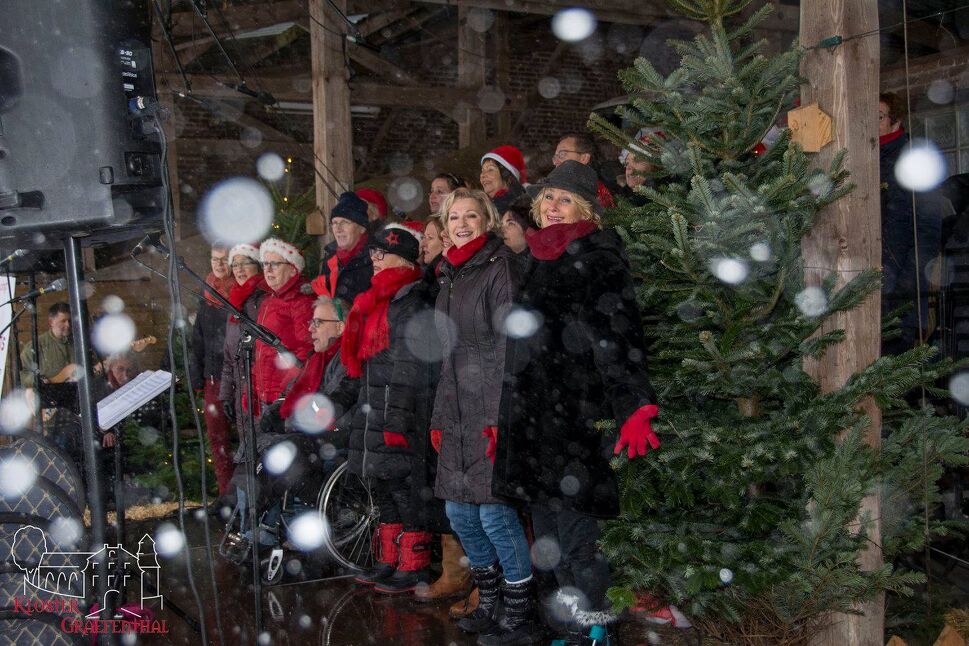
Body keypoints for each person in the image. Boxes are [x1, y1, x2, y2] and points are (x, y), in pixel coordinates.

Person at [495, 161, 660, 644]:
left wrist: (633, 404)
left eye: (564, 199)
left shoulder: (599, 257)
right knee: (546, 543)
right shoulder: (536, 260)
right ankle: (568, 628)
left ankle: (597, 630)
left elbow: (618, 335)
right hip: (535, 423)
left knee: (578, 544)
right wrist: (505, 417)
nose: (551, 206)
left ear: (585, 208)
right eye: (547, 198)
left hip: (576, 422)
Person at [429, 188, 540, 644]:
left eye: (471, 215)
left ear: (488, 220)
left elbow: (509, 349)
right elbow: (447, 359)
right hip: (455, 412)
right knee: (460, 513)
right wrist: (438, 418)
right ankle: (489, 598)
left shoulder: (501, 268)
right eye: (453, 216)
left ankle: (519, 608)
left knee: (495, 516)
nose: (461, 223)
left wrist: (501, 418)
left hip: (490, 408)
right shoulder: (451, 274)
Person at [331, 223, 443, 595]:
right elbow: (360, 368)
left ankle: (416, 564)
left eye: (384, 254)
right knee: (380, 486)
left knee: (406, 489)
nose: (375, 260)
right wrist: (337, 403)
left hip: (400, 415)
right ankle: (389, 558)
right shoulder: (374, 302)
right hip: (373, 411)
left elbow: (409, 370)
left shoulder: (413, 302)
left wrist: (395, 420)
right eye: (374, 254)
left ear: (406, 260)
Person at [878, 92, 944, 353]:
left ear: (895, 121)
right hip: (868, 279)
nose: (872, 122)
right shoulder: (861, 157)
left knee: (893, 361)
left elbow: (928, 229)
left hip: (900, 281)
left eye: (879, 116)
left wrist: (908, 281)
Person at [189, 245, 234, 496]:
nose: (218, 264)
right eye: (215, 259)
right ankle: (225, 493)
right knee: (218, 440)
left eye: (224, 260)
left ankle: (246, 494)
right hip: (213, 377)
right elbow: (199, 337)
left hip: (238, 375)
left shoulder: (240, 292)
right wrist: (199, 376)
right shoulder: (206, 293)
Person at [253, 238, 315, 415]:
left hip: (287, 397)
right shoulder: (268, 301)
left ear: (292, 269)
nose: (268, 270)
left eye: (275, 264)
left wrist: (285, 389)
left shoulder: (301, 302)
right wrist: (253, 389)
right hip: (266, 394)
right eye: (265, 264)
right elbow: (261, 350)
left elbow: (308, 350)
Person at [219, 243, 267, 449]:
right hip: (242, 395)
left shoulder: (265, 299)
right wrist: (226, 395)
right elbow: (229, 359)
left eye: (244, 263)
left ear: (257, 265)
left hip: (263, 394)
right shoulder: (233, 305)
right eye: (235, 264)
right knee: (247, 452)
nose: (239, 269)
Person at [313, 192, 374, 305]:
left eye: (344, 222)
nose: (338, 229)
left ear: (362, 228)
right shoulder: (330, 256)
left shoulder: (376, 257)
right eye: (334, 223)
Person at [19, 302, 76, 387]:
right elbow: (23, 374)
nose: (68, 325)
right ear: (51, 322)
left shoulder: (80, 342)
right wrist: (38, 380)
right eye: (63, 321)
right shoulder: (35, 346)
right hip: (50, 395)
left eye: (70, 321)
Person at [552, 133, 615, 208]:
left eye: (562, 154)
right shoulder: (552, 189)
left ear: (584, 158)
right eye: (555, 157)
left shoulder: (598, 193)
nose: (555, 162)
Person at [480, 145, 528, 215]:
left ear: (507, 176)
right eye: (482, 171)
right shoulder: (481, 206)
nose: (482, 175)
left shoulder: (520, 210)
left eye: (490, 169)